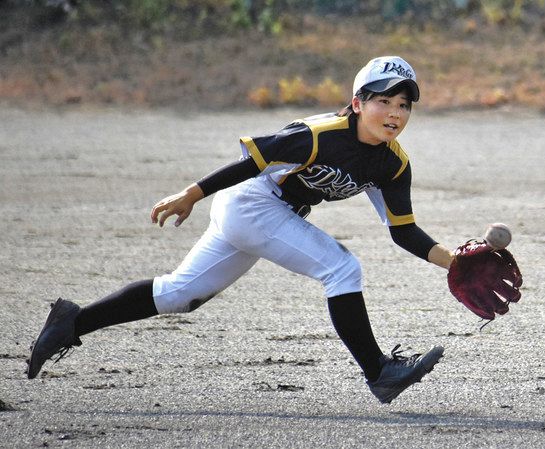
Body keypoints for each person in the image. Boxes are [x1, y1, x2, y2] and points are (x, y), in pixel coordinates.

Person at [27, 56, 455, 404]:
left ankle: (72, 322)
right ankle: (379, 372)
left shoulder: (392, 163)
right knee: (342, 269)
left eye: (405, 105)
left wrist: (455, 264)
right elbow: (252, 162)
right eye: (385, 100)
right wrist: (192, 193)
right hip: (253, 204)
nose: (396, 113)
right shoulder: (317, 135)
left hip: (264, 214)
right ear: (358, 102)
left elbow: (403, 231)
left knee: (179, 294)